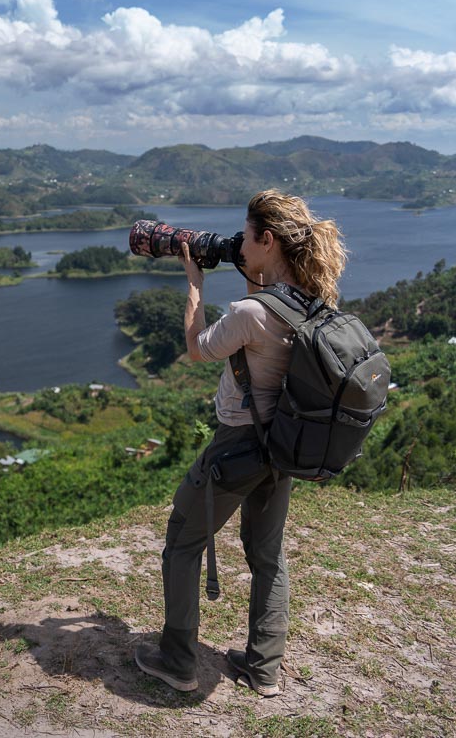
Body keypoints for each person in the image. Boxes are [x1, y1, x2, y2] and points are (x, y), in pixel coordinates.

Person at [134, 189, 347, 696]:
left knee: (182, 543)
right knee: (267, 555)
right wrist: (244, 262)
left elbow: (195, 348)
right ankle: (263, 669)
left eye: (246, 237)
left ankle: (178, 661)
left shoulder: (251, 312)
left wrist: (194, 284)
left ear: (267, 240)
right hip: (285, 445)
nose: (238, 243)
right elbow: (265, 305)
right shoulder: (314, 298)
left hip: (238, 444)